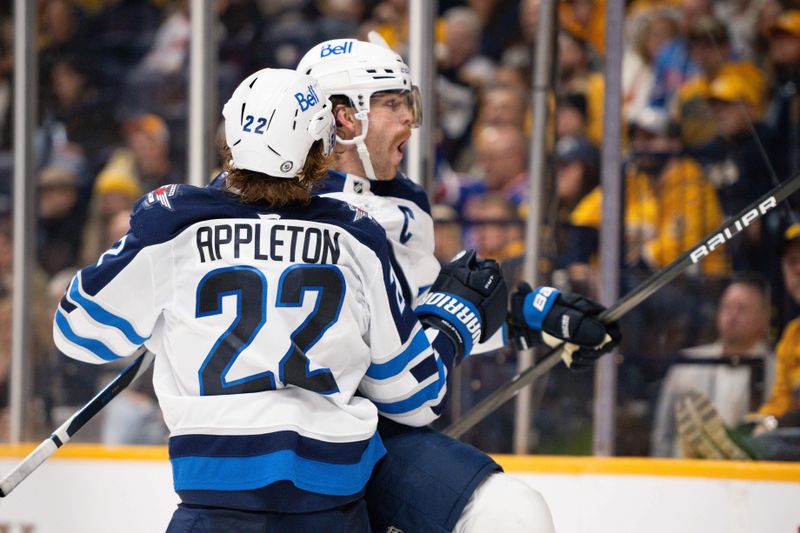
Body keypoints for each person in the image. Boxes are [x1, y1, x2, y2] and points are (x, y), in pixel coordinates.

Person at [52, 68, 510, 531]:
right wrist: (451, 323)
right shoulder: (356, 231)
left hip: (212, 502)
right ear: (320, 148)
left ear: (229, 139)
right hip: (330, 508)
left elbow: (76, 334)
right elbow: (413, 397)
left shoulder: (174, 223)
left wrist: (155, 320)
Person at [295, 35, 621, 533]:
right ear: (344, 117)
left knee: (512, 513)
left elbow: (421, 310)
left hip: (374, 434)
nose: (408, 118)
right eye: (390, 103)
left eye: (407, 102)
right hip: (286, 439)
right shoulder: (278, 205)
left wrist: (524, 318)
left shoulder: (401, 203)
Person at [678, 223, 800, 461]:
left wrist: (772, 424)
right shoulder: (793, 335)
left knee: (765, 442)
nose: (798, 269)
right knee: (746, 433)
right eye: (791, 261)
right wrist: (757, 424)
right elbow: (780, 402)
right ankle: (730, 447)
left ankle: (731, 451)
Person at [651, 279, 773, 457]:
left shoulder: (776, 368)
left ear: (764, 319)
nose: (732, 315)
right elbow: (664, 433)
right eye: (727, 307)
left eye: (742, 308)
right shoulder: (687, 364)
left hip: (750, 478)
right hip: (688, 476)